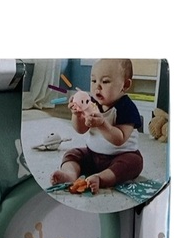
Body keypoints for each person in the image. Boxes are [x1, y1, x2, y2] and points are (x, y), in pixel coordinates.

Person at [51, 59, 143, 193]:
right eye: (93, 81)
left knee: (134, 163)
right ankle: (70, 174)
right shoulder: (91, 103)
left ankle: (101, 178)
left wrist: (102, 124)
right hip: (93, 154)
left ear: (125, 84)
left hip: (120, 156)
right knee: (73, 153)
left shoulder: (127, 108)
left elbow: (120, 139)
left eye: (105, 81)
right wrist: (77, 115)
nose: (97, 87)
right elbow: (81, 130)